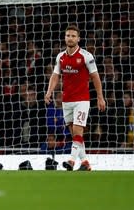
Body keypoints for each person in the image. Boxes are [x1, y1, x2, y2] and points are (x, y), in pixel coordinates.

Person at [44, 24, 106, 171]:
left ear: (78, 38)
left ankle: (71, 161)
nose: (70, 38)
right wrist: (49, 91)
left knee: (78, 131)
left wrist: (100, 97)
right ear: (65, 38)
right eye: (68, 35)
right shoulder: (60, 57)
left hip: (82, 100)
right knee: (75, 135)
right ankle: (85, 162)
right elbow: (55, 76)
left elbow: (95, 77)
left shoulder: (86, 56)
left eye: (73, 36)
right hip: (66, 101)